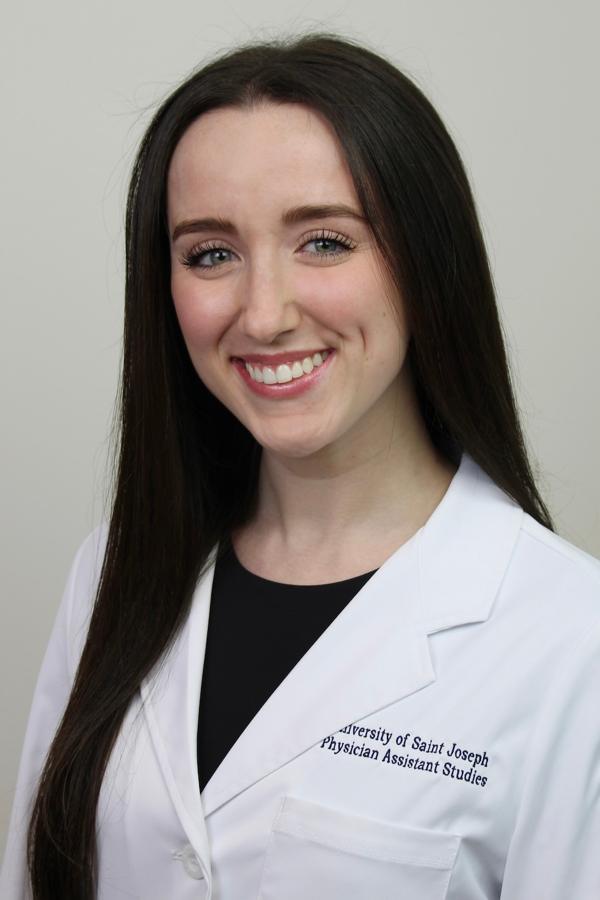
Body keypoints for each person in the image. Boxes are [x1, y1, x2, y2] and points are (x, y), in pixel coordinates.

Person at [1, 31, 599, 900]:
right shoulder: (111, 573)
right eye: (211, 254)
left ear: (426, 260)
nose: (264, 314)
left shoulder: (571, 639)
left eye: (323, 241)